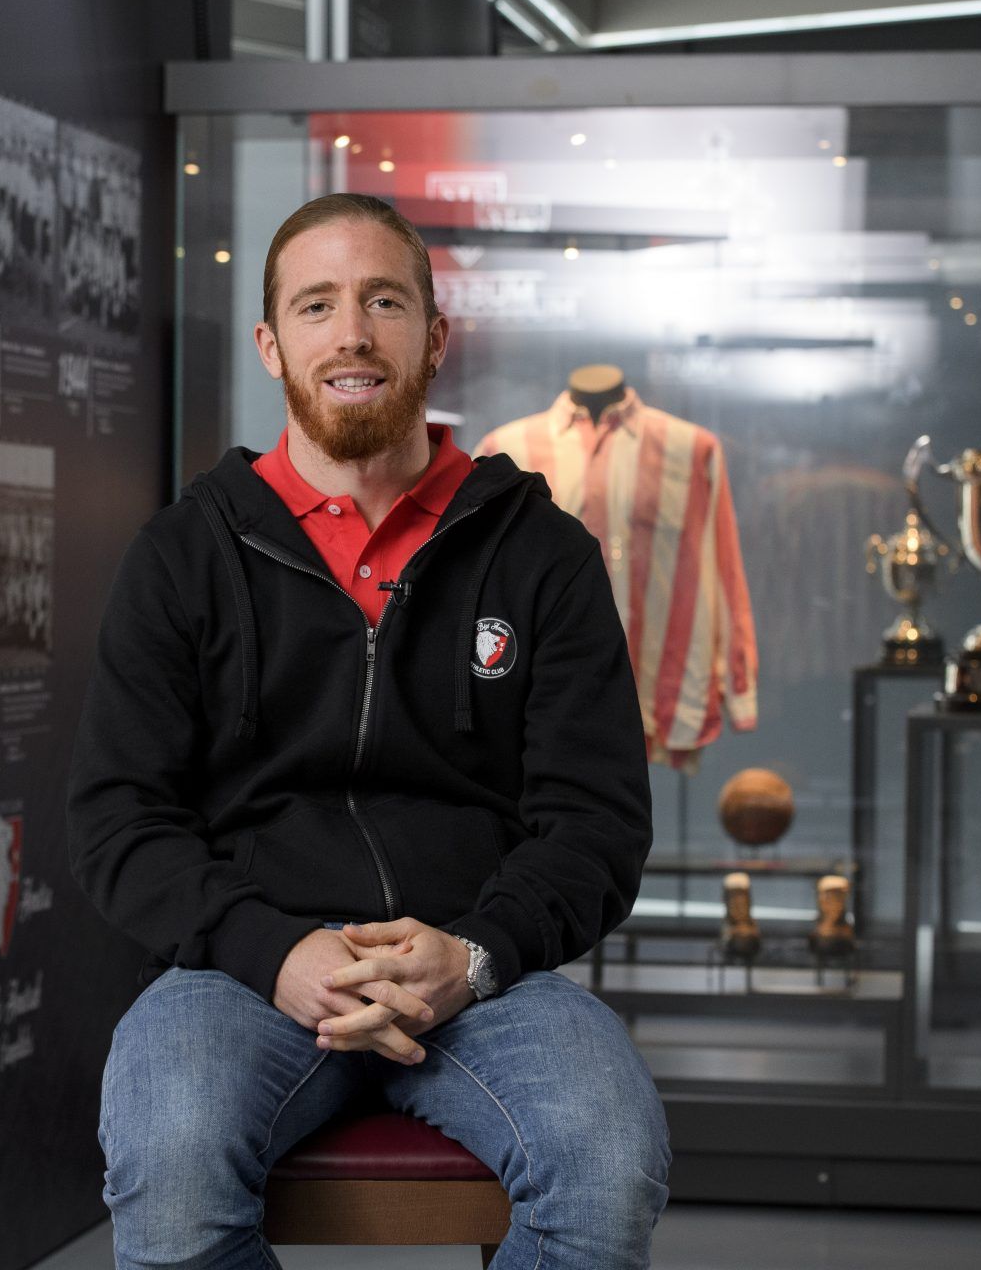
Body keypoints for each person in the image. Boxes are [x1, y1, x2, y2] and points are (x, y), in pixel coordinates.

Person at [68, 193, 668, 1269]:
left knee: (608, 1166)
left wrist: (476, 953)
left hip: (485, 975)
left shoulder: (540, 553)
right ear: (272, 344)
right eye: (317, 305)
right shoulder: (184, 555)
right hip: (244, 972)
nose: (351, 332)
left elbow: (599, 823)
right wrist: (276, 948)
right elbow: (121, 821)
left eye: (384, 300)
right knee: (171, 1159)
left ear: (435, 335)